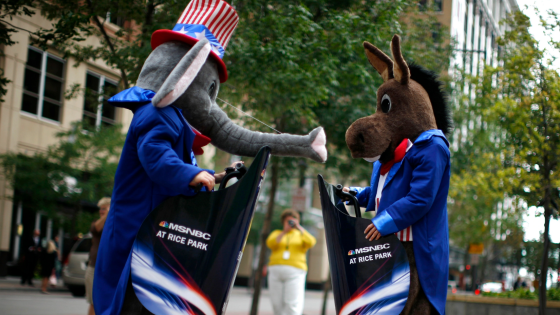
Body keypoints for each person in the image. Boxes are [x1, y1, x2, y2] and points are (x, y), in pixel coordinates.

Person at [266, 209, 316, 315]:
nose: (290, 223)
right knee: (276, 304)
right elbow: (270, 243)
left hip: (295, 271)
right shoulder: (277, 233)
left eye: (293, 221)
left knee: (292, 303)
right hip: (275, 270)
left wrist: (299, 227)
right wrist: (284, 231)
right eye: (287, 221)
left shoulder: (300, 234)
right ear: (283, 222)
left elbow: (311, 242)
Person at [86, 197, 110, 315]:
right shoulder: (96, 223)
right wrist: (107, 214)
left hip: (108, 268)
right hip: (94, 267)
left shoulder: (113, 224)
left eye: (104, 209)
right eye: (100, 209)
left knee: (105, 302)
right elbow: (96, 228)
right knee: (94, 302)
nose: (101, 211)